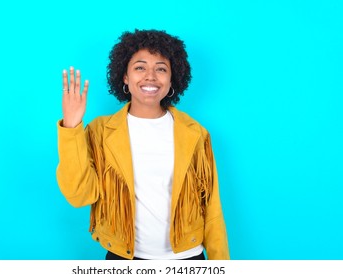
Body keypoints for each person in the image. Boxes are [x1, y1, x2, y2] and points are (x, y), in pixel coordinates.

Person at [56, 29, 230, 260]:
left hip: (188, 259)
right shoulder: (100, 131)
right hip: (123, 259)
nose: (150, 76)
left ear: (172, 78)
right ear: (125, 76)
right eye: (140, 67)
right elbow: (79, 195)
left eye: (161, 68)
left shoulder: (195, 133)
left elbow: (212, 209)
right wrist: (72, 125)